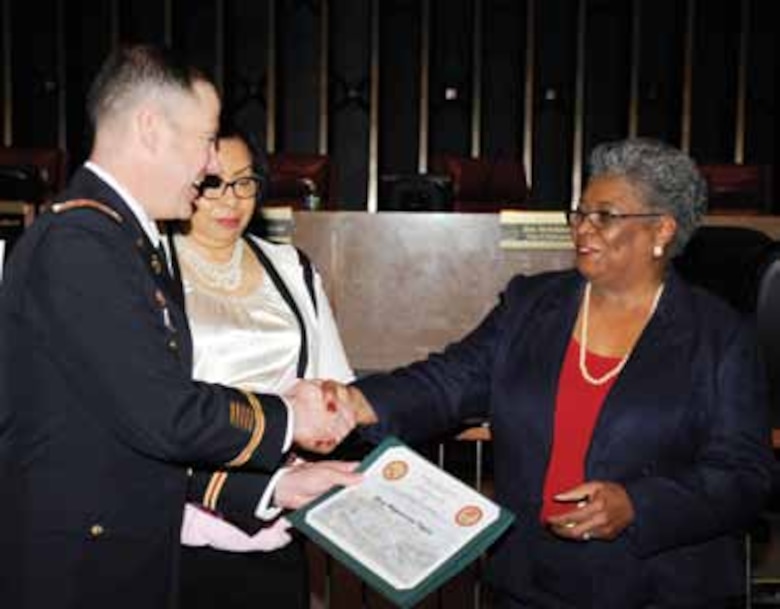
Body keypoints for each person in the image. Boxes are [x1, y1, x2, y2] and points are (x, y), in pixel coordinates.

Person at [323, 137, 775, 608]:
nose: (582, 229)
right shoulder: (530, 306)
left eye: (605, 216)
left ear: (661, 231)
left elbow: (746, 475)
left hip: (658, 587)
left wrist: (638, 505)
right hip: (530, 581)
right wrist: (354, 404)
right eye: (579, 214)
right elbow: (448, 381)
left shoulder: (720, 336)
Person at [0, 44, 358, 609]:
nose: (213, 164)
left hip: (125, 556)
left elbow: (137, 431)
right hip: (81, 573)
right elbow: (164, 413)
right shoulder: (83, 244)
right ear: (150, 129)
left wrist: (275, 487)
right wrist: (291, 415)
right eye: (206, 139)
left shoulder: (121, 241)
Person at [167, 124, 355, 608]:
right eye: (212, 184)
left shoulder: (290, 267)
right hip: (175, 517)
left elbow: (333, 385)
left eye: (245, 182)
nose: (231, 201)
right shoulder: (147, 267)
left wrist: (329, 427)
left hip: (278, 512)